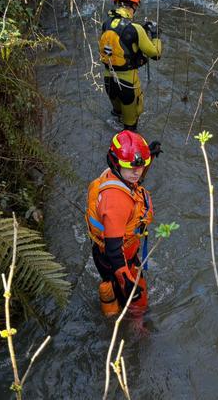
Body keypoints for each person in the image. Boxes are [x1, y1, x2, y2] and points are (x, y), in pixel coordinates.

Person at [85, 130, 162, 317]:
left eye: (141, 165)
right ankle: (135, 330)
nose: (137, 171)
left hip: (110, 255)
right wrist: (127, 281)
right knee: (136, 306)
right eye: (131, 167)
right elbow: (113, 249)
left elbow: (134, 169)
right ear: (116, 163)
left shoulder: (118, 175)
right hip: (117, 262)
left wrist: (148, 155)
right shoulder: (116, 202)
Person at [99, 0, 162, 131]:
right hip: (128, 85)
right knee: (130, 129)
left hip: (109, 81)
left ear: (118, 2)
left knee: (115, 118)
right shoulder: (136, 29)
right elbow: (156, 54)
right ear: (134, 4)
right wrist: (156, 35)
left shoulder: (106, 23)